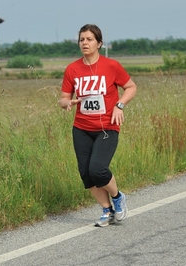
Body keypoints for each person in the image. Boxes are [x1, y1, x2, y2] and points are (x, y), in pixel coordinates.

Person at [58, 24, 137, 227]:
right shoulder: (72, 69)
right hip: (81, 128)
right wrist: (68, 103)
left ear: (99, 43)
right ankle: (107, 210)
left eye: (89, 39)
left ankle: (118, 197)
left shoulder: (111, 66)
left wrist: (120, 105)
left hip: (107, 127)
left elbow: (130, 87)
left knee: (98, 169)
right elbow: (63, 99)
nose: (85, 43)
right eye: (82, 39)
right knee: (86, 173)